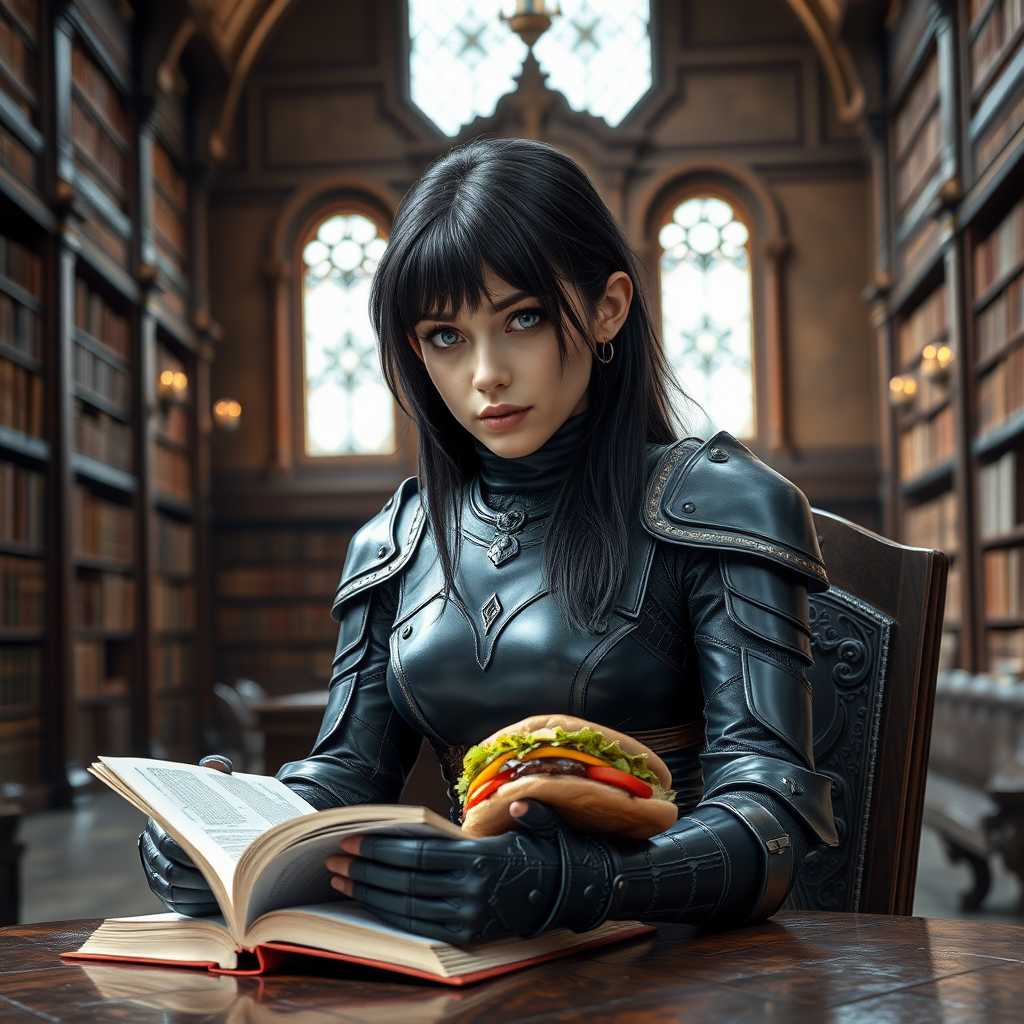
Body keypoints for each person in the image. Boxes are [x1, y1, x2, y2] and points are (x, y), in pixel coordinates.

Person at [140, 138, 838, 944]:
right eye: (445, 335)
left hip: (685, 967)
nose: (486, 374)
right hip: (462, 961)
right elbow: (346, 773)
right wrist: (230, 833)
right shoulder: (391, 541)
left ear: (608, 307)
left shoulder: (724, 505)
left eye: (524, 319)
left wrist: (574, 885)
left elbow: (774, 819)